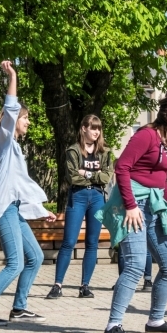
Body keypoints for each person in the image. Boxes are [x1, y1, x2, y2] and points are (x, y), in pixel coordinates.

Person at [98, 89, 167, 333]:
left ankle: (155, 320)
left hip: (155, 206)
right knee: (134, 265)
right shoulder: (146, 135)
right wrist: (131, 205)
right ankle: (113, 324)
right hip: (132, 206)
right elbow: (121, 167)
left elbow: (161, 181)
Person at [0, 60, 57, 326]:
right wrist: (13, 77)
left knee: (36, 257)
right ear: (15, 120)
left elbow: (20, 186)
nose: (28, 122)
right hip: (3, 209)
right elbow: (10, 109)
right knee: (16, 263)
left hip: (14, 208)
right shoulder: (4, 142)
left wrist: (41, 211)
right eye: (26, 118)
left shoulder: (15, 149)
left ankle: (19, 307)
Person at [47, 115, 114, 299]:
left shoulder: (105, 152)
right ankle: (57, 285)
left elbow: (107, 177)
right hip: (77, 196)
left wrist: (86, 173)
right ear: (83, 128)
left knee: (92, 243)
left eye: (98, 128)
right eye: (93, 128)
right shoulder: (73, 150)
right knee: (69, 241)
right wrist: (94, 174)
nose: (96, 132)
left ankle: (85, 286)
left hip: (98, 197)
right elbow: (72, 177)